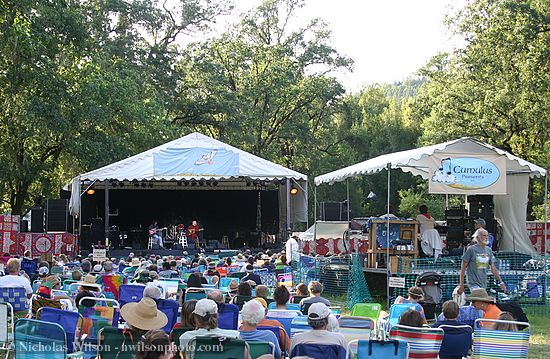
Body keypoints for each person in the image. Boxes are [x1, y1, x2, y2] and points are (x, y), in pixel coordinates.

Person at [458, 228, 506, 294]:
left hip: (483, 283)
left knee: (479, 303)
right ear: (477, 238)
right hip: (473, 283)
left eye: (487, 235)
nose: (486, 237)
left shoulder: (488, 250)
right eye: (484, 235)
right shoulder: (471, 249)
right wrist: (461, 285)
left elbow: (493, 268)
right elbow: (463, 268)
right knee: (478, 299)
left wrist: (501, 282)